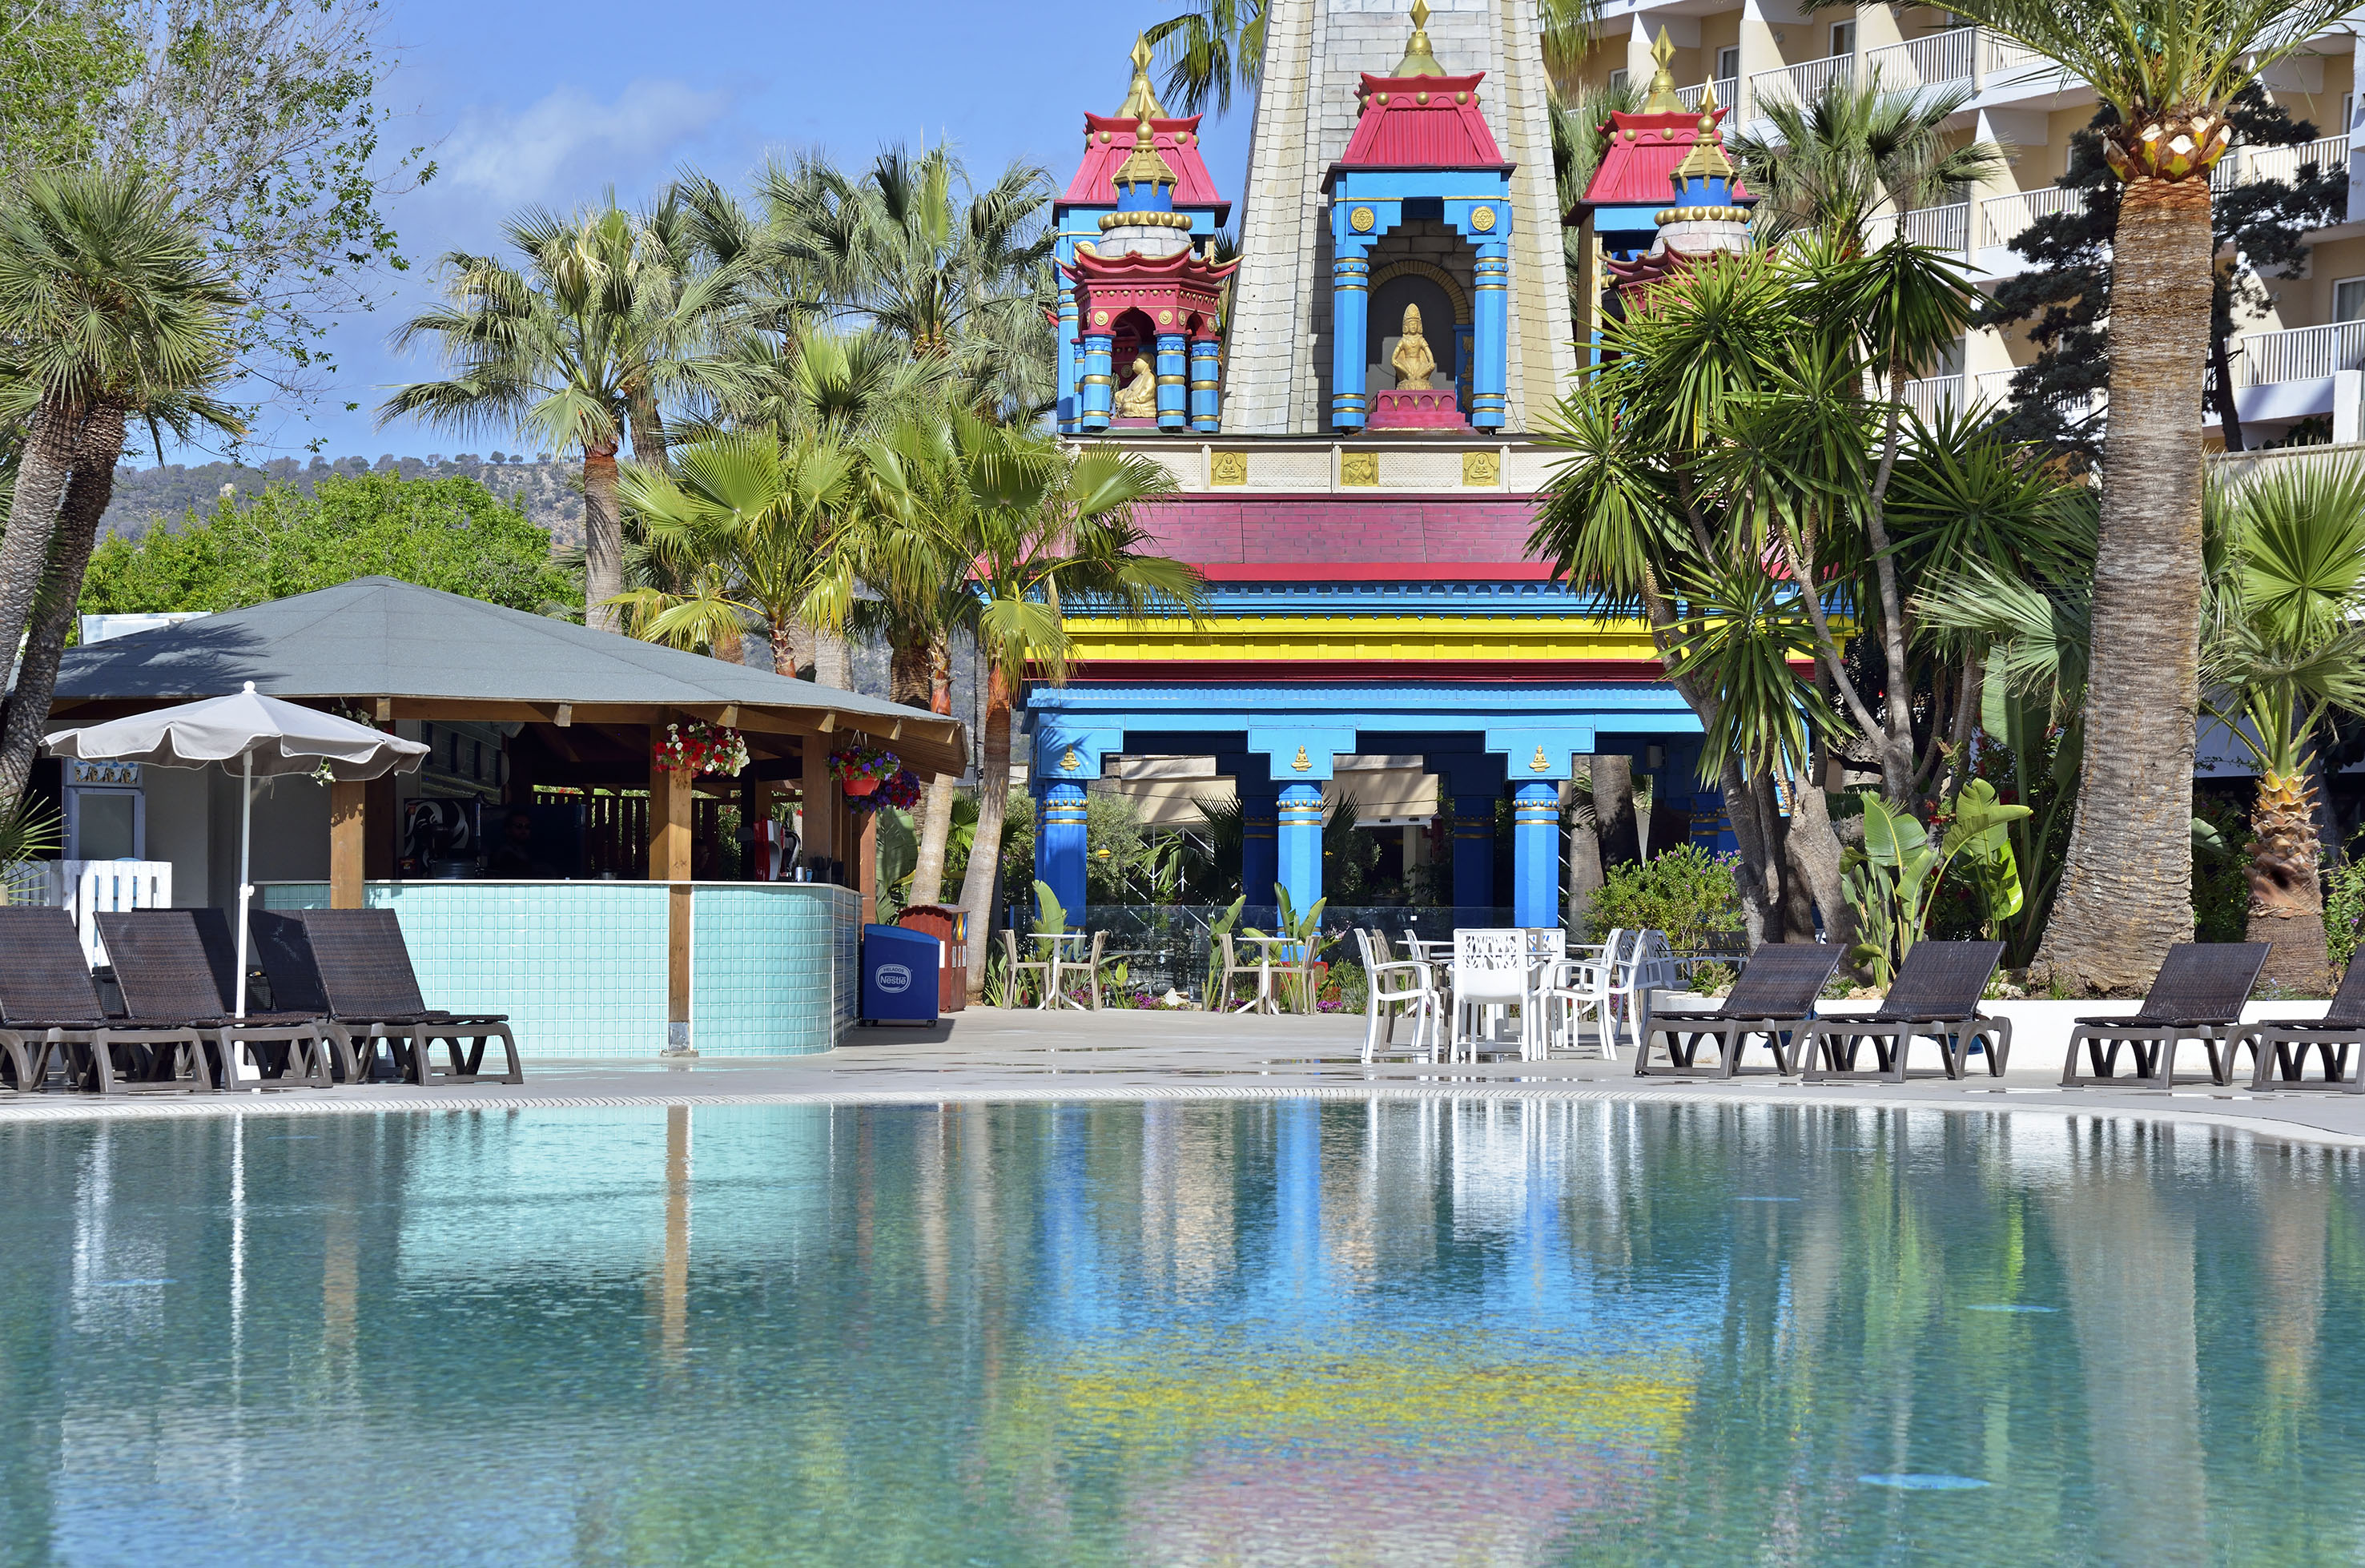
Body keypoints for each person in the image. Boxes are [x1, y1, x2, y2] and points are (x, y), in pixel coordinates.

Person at [487, 808, 546, 878]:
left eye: (527, 827)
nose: (524, 830)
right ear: (507, 830)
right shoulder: (504, 855)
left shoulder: (528, 851)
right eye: (519, 826)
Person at [1391, 303, 1437, 388]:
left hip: (1419, 364)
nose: (1413, 326)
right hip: (1406, 365)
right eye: (1411, 324)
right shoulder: (1403, 340)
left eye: (1415, 324)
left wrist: (1431, 361)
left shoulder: (1420, 340)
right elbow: (1394, 357)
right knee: (1395, 362)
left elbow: (1428, 352)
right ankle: (1408, 375)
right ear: (1406, 326)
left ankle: (1420, 376)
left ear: (1419, 325)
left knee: (1432, 366)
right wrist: (1395, 361)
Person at [1113, 352, 1158, 416]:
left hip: (1142, 406)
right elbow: (1129, 389)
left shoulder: (1150, 376)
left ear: (1147, 362)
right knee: (1122, 402)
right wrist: (1120, 394)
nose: (1134, 362)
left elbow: (1146, 394)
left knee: (1127, 407)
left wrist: (1130, 400)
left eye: (1137, 360)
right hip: (1130, 402)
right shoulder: (1138, 377)